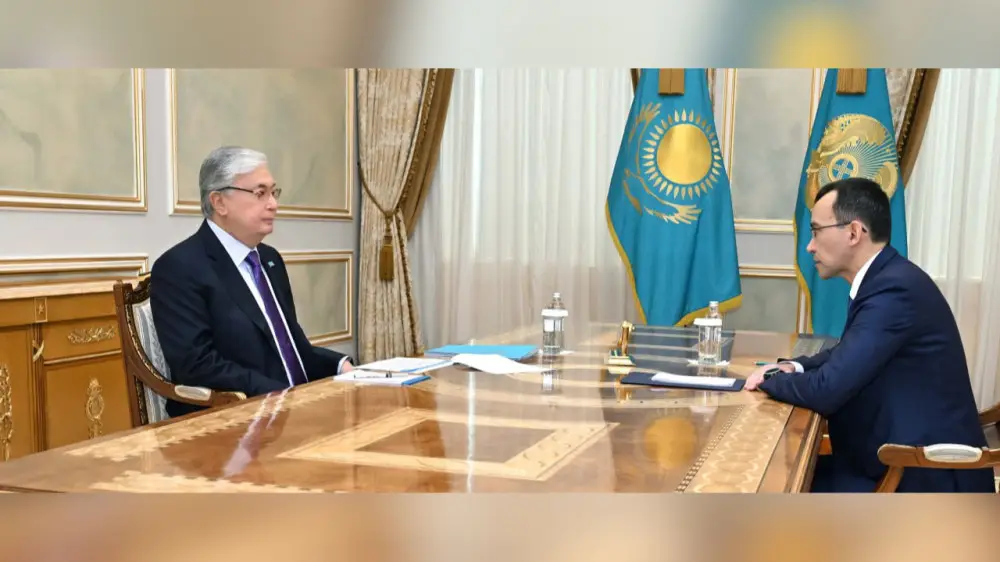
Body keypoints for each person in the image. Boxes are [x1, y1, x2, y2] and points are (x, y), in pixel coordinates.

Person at [744, 177, 994, 493]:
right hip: (889, 459)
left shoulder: (894, 290)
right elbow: (847, 352)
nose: (810, 246)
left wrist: (770, 381)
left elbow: (827, 390)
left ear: (853, 232)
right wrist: (794, 366)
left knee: (768, 487)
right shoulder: (888, 278)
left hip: (917, 476)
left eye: (816, 231)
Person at [150, 146, 353, 418]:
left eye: (274, 192)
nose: (273, 204)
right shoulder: (179, 267)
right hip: (229, 421)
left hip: (291, 412)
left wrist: (341, 366)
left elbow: (290, 347)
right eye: (260, 193)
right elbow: (197, 365)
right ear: (219, 202)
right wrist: (285, 396)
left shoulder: (270, 259)